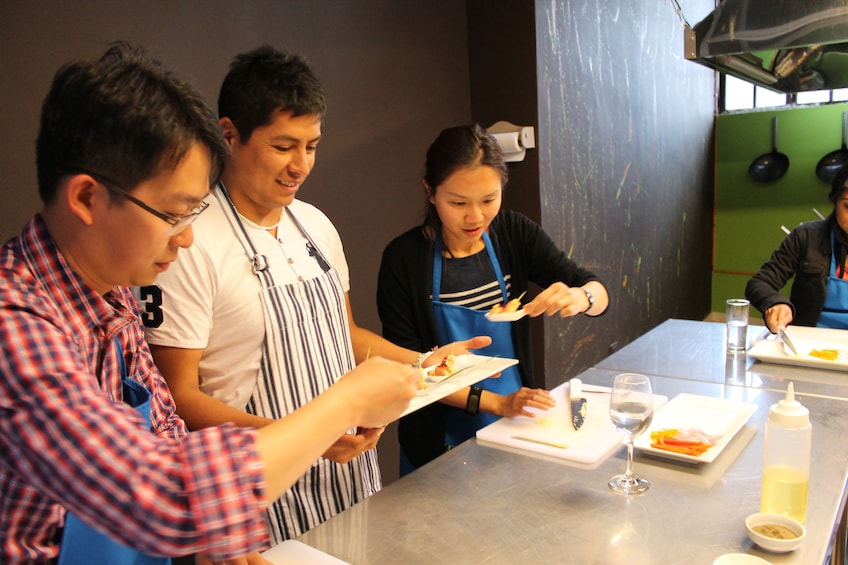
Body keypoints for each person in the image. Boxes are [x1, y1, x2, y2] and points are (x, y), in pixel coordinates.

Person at [0, 42, 419, 564]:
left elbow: (168, 430)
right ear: (87, 198)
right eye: (174, 214)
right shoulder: (15, 327)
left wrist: (221, 542)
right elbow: (165, 496)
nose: (186, 238)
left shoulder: (113, 296)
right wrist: (344, 405)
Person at [135, 45, 488, 544]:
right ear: (229, 133)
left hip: (348, 478)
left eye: (312, 146)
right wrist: (306, 437)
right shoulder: (189, 242)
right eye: (283, 147)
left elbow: (346, 335)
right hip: (258, 492)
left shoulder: (316, 226)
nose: (300, 165)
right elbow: (178, 398)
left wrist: (429, 363)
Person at [377, 124, 610, 474]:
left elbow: (597, 291)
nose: (476, 217)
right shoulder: (404, 259)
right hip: (437, 437)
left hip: (515, 422)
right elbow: (410, 367)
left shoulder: (514, 233)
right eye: (458, 203)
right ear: (431, 192)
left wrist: (582, 297)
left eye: (489, 200)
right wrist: (496, 404)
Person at [746, 164, 848, 331]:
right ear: (834, 201)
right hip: (807, 344)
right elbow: (760, 283)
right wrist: (777, 303)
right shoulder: (806, 236)